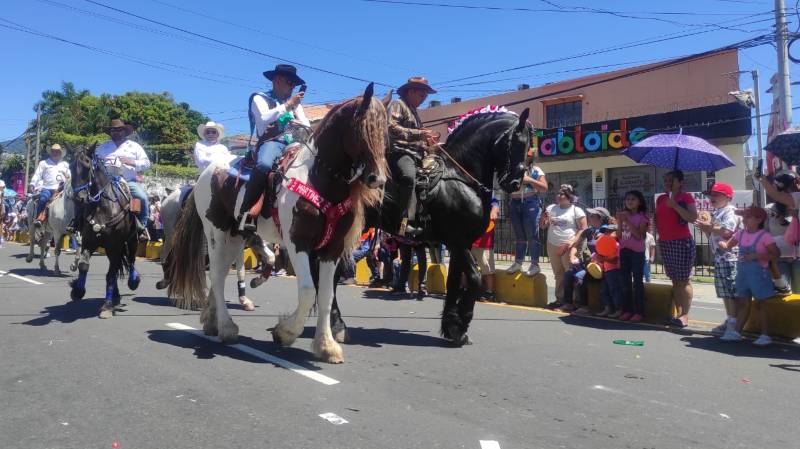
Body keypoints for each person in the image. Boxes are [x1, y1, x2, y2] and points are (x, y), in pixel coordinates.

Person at [238, 64, 310, 232]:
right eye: (290, 82)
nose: (293, 87)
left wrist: (298, 122)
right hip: (271, 142)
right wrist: (287, 106)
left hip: (293, 143)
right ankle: (247, 211)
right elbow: (263, 119)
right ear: (277, 80)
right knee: (263, 164)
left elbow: (306, 123)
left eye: (294, 84)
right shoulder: (260, 98)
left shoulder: (295, 105)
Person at [718, 206, 779, 345]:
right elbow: (728, 244)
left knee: (761, 304)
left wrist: (757, 255)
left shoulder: (765, 236)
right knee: (743, 302)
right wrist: (722, 244)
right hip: (743, 274)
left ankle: (765, 335)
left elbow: (776, 254)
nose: (744, 219)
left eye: (747, 216)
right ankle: (737, 332)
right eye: (744, 216)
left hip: (759, 275)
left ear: (759, 219)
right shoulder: (741, 234)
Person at [387, 76, 439, 237]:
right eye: (422, 95)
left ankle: (424, 217)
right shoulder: (398, 104)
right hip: (399, 153)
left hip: (416, 155)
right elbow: (391, 127)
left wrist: (429, 144)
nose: (424, 99)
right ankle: (400, 221)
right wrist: (419, 134)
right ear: (411, 91)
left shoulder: (415, 112)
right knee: (409, 177)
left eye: (426, 96)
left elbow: (418, 140)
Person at [695, 182, 741, 335]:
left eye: (716, 195)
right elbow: (712, 235)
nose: (711, 197)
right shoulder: (718, 212)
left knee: (730, 291)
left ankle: (733, 324)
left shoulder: (730, 211)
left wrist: (707, 226)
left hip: (730, 257)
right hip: (720, 257)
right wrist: (706, 226)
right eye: (711, 195)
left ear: (727, 197)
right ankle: (730, 319)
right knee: (724, 292)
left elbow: (727, 231)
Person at [95, 119, 151, 241]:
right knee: (86, 197)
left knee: (141, 197)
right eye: (113, 130)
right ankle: (80, 224)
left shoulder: (134, 146)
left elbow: (147, 163)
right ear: (110, 132)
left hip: (127, 181)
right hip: (105, 182)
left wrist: (132, 162)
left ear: (125, 131)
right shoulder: (103, 147)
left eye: (119, 130)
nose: (116, 132)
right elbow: (94, 163)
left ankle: (141, 227)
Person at [656, 170, 697, 328]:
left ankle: (685, 315)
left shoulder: (685, 197)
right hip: (666, 242)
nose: (667, 182)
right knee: (674, 280)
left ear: (680, 182)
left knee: (683, 280)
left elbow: (692, 218)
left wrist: (675, 206)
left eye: (671, 180)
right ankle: (678, 314)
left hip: (681, 242)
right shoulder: (661, 198)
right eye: (665, 180)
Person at [541, 184, 587, 308]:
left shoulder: (576, 210)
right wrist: (543, 217)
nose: (559, 196)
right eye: (559, 193)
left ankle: (572, 300)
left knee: (570, 273)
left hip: (568, 246)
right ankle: (560, 299)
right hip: (552, 244)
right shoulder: (551, 208)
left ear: (569, 196)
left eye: (562, 194)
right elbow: (543, 226)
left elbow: (583, 229)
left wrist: (572, 242)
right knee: (558, 273)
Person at [562, 207, 611, 314]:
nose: (589, 217)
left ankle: (584, 306)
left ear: (601, 218)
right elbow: (576, 245)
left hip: (602, 266)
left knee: (580, 276)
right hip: (590, 264)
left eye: (592, 216)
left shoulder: (607, 230)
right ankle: (568, 303)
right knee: (568, 274)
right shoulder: (589, 231)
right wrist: (572, 256)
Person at [506, 154, 548, 276]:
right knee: (519, 236)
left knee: (532, 235)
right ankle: (518, 263)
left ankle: (534, 264)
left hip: (530, 201)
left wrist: (529, 180)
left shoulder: (535, 170)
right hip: (515, 201)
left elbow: (544, 187)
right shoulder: (511, 169)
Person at [760, 170, 799, 292]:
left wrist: (793, 218)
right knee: (782, 293)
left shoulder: (797, 204)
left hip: (797, 257)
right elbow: (765, 234)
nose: (790, 191)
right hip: (779, 258)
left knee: (798, 294)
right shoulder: (769, 209)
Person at [617, 190, 650, 322]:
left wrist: (627, 220)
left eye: (633, 199)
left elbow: (638, 236)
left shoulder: (643, 217)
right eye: (628, 199)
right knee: (625, 282)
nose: (629, 202)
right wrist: (620, 221)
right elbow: (619, 235)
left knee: (637, 281)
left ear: (639, 202)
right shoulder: (624, 215)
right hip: (624, 250)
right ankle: (627, 310)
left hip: (637, 252)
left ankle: (639, 311)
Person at [29, 143, 70, 227]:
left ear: (60, 153)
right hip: (47, 188)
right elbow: (37, 174)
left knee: (72, 202)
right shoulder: (44, 163)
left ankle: (71, 222)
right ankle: (38, 219)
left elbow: (69, 176)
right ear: (51, 152)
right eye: (53, 151)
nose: (55, 153)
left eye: (57, 152)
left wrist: (66, 177)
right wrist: (32, 183)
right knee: (43, 199)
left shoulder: (65, 164)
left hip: (61, 189)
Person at [472, 198, 500, 301]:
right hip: (470, 240)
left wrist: (494, 210)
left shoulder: (491, 200)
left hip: (484, 242)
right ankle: (465, 289)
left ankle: (489, 292)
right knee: (465, 267)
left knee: (487, 268)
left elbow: (495, 207)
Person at [595, 224, 624, 318]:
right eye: (605, 232)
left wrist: (603, 259)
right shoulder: (603, 243)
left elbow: (615, 260)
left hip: (614, 270)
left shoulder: (617, 245)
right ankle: (608, 308)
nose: (607, 233)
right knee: (604, 290)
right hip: (606, 269)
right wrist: (599, 259)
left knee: (614, 290)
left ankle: (618, 310)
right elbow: (602, 256)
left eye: (609, 231)